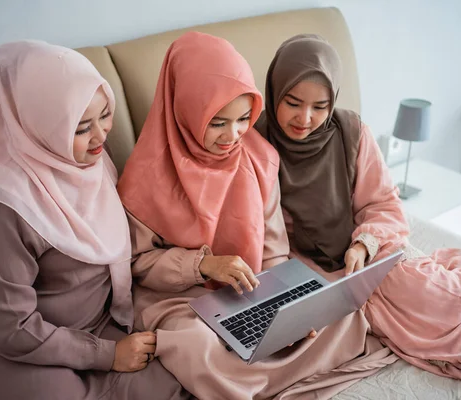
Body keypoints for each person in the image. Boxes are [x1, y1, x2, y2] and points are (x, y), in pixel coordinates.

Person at [117, 31, 398, 400]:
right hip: (179, 297)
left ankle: (252, 370)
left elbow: (274, 253)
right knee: (194, 348)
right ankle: (257, 373)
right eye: (217, 122)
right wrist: (203, 266)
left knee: (344, 315)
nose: (233, 135)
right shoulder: (143, 177)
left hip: (250, 292)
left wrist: (284, 309)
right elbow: (136, 264)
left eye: (244, 119)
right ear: (183, 109)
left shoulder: (260, 158)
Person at [255, 33, 461, 397]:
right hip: (306, 268)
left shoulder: (351, 132)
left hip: (368, 250)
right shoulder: (255, 146)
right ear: (274, 91)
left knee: (436, 296)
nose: (305, 118)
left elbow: (384, 204)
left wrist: (363, 245)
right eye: (292, 102)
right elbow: (257, 233)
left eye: (320, 106)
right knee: (351, 325)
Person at [0, 40, 190, 400]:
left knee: (180, 381)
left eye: (105, 115)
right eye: (80, 128)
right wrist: (108, 355)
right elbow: (11, 329)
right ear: (40, 126)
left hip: (94, 326)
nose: (101, 136)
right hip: (10, 346)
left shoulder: (91, 164)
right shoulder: (4, 209)